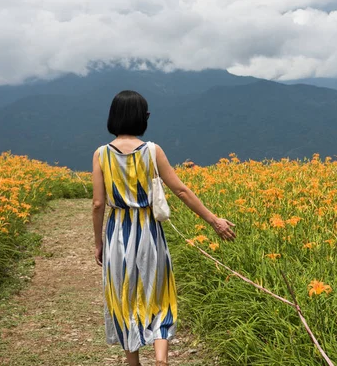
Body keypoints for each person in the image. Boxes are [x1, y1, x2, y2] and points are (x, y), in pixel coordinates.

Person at [91, 90, 236, 366]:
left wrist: (98, 243)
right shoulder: (152, 151)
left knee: (123, 296)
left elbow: (98, 204)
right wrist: (213, 220)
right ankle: (161, 360)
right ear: (142, 118)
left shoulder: (101, 155)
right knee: (158, 293)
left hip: (117, 233)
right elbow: (181, 190)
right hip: (149, 233)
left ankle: (133, 362)